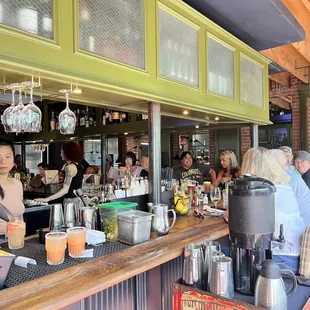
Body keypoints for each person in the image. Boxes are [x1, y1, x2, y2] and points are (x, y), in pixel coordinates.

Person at [241, 147, 305, 274]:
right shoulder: (283, 186)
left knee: (220, 253)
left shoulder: (261, 191)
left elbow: (243, 222)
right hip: (296, 256)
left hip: (280, 260)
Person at [35, 141, 84, 207]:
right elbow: (61, 180)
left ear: (68, 153)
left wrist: (47, 199)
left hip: (72, 202)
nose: (61, 154)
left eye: (62, 152)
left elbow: (65, 190)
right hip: (77, 200)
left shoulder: (70, 167)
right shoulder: (76, 166)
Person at [271, 149, 310, 226]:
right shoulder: (301, 176)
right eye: (297, 162)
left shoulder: (296, 179)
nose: (299, 164)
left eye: (302, 161)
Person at [0, 139, 24, 234]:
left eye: (7, 156)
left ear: (13, 159)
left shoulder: (17, 184)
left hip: (15, 239)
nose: (2, 161)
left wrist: (21, 235)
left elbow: (19, 216)